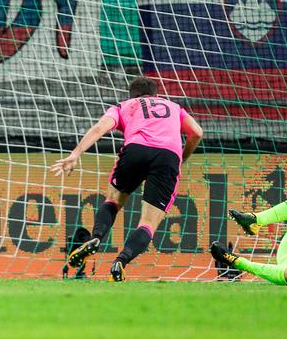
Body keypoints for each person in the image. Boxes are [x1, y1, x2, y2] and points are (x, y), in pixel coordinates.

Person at [50, 76, 203, 281]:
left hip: (136, 150)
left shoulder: (124, 106)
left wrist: (75, 154)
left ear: (133, 95)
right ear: (156, 94)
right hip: (168, 157)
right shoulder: (174, 107)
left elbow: (99, 128)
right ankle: (121, 261)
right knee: (148, 223)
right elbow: (197, 133)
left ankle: (96, 238)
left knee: (113, 200)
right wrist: (180, 159)